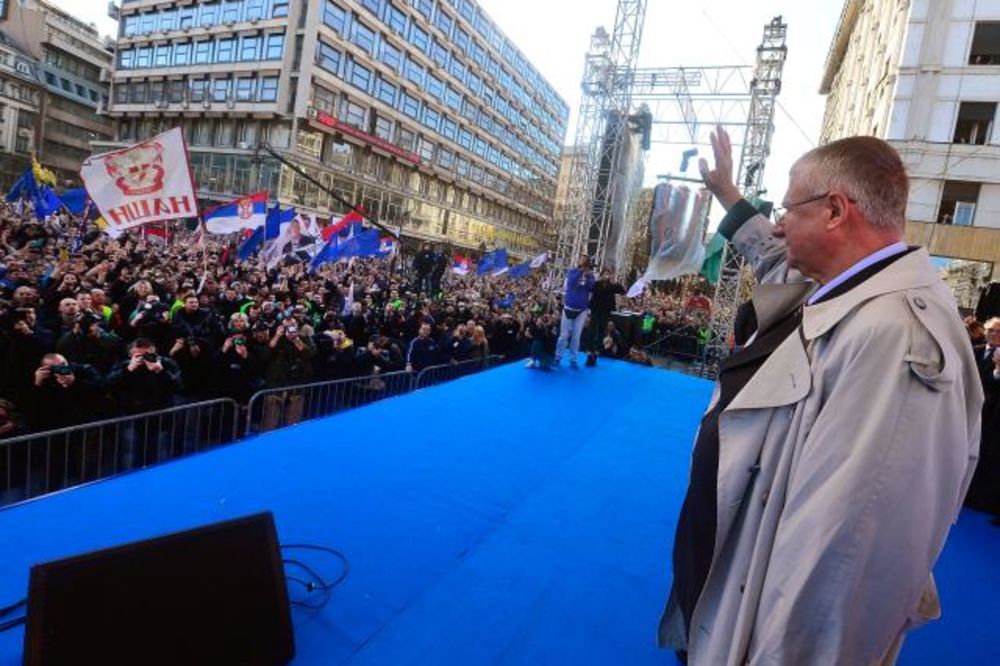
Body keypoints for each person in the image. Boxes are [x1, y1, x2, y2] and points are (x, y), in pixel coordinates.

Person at [659, 127, 982, 665]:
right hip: (732, 583)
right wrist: (729, 197)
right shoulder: (847, 284)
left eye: (789, 210)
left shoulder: (896, 341)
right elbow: (771, 254)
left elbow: (838, 563)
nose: (780, 225)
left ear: (835, 211)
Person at [555, 254, 595, 369]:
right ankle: (558, 357)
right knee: (564, 335)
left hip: (582, 310)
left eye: (585, 261)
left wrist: (587, 276)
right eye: (582, 260)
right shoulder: (572, 271)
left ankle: (573, 359)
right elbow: (571, 282)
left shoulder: (591, 275)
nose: (584, 263)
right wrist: (580, 271)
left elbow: (592, 287)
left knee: (576, 336)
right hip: (568, 308)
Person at [586, 268, 625, 366]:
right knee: (591, 332)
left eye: (608, 274)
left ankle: (596, 353)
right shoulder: (597, 284)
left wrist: (613, 281)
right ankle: (589, 353)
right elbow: (590, 289)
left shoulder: (612, 286)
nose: (606, 275)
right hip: (595, 311)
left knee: (601, 333)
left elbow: (622, 291)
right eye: (605, 273)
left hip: (605, 312)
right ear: (602, 274)